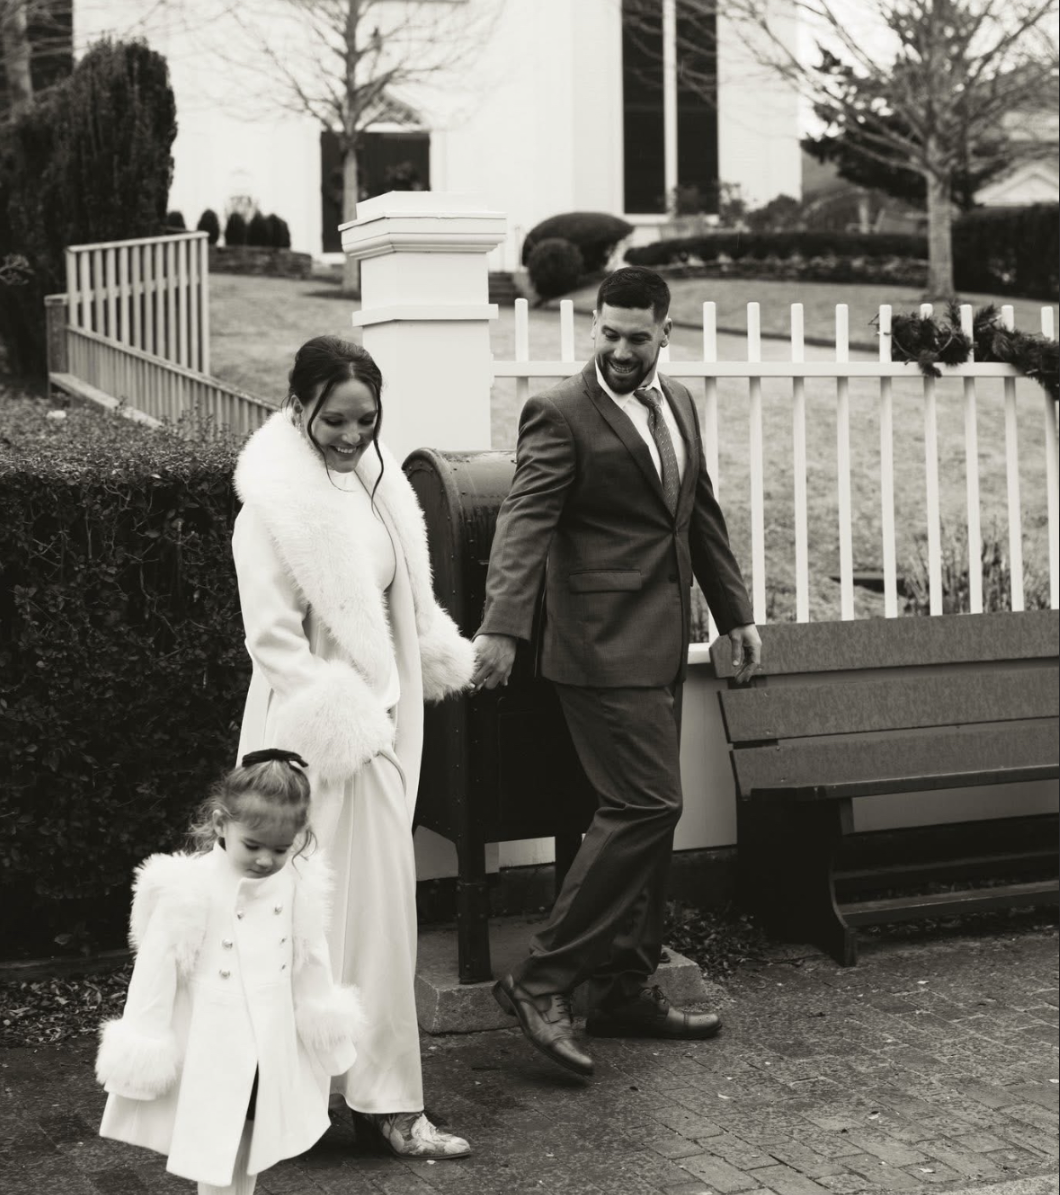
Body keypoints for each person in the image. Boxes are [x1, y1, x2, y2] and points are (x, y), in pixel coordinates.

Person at [472, 265, 762, 1077]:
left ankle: (626, 988)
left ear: (667, 332)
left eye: (638, 336)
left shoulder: (680, 405)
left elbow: (698, 515)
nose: (622, 349)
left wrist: (735, 616)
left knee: (653, 816)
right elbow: (524, 521)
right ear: (593, 326)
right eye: (608, 332)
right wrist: (502, 627)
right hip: (596, 647)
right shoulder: (560, 411)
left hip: (665, 642)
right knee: (647, 803)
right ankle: (542, 980)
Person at [230, 336, 473, 1159]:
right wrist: (352, 729)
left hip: (379, 736)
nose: (351, 434)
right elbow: (273, 643)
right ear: (297, 406)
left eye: (367, 420)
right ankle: (303, 1096)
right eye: (334, 418)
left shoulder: (378, 487)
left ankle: (383, 1098)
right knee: (302, 924)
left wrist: (403, 697)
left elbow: (403, 603)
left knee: (379, 926)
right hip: (312, 744)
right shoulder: (270, 507)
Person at [96, 750, 363, 1195]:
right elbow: (155, 970)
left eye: (281, 848)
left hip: (270, 1038)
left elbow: (311, 959)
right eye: (253, 845)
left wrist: (327, 1037)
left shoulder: (298, 883)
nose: (264, 860)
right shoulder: (188, 888)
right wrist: (144, 1045)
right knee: (217, 1141)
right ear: (221, 824)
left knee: (253, 1139)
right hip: (211, 1040)